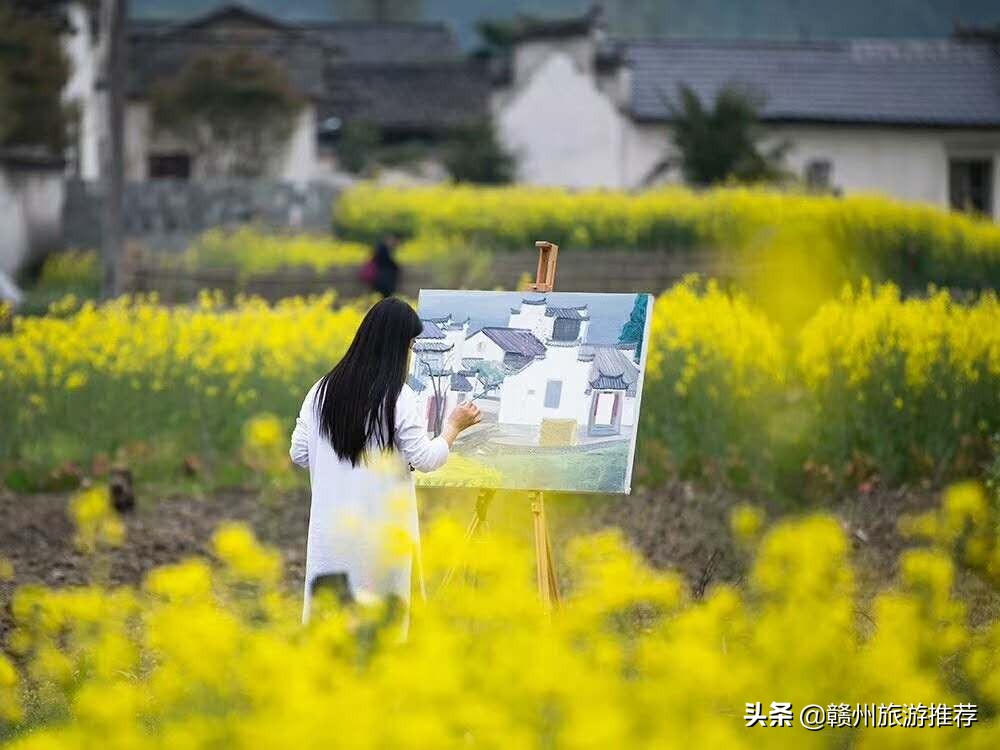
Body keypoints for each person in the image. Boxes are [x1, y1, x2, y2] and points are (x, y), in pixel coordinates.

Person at [289, 297, 481, 625]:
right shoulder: (398, 397)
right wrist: (453, 427)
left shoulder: (320, 390)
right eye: (409, 346)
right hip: (379, 537)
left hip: (330, 535)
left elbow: (299, 453)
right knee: (379, 629)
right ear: (397, 348)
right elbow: (425, 459)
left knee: (331, 625)